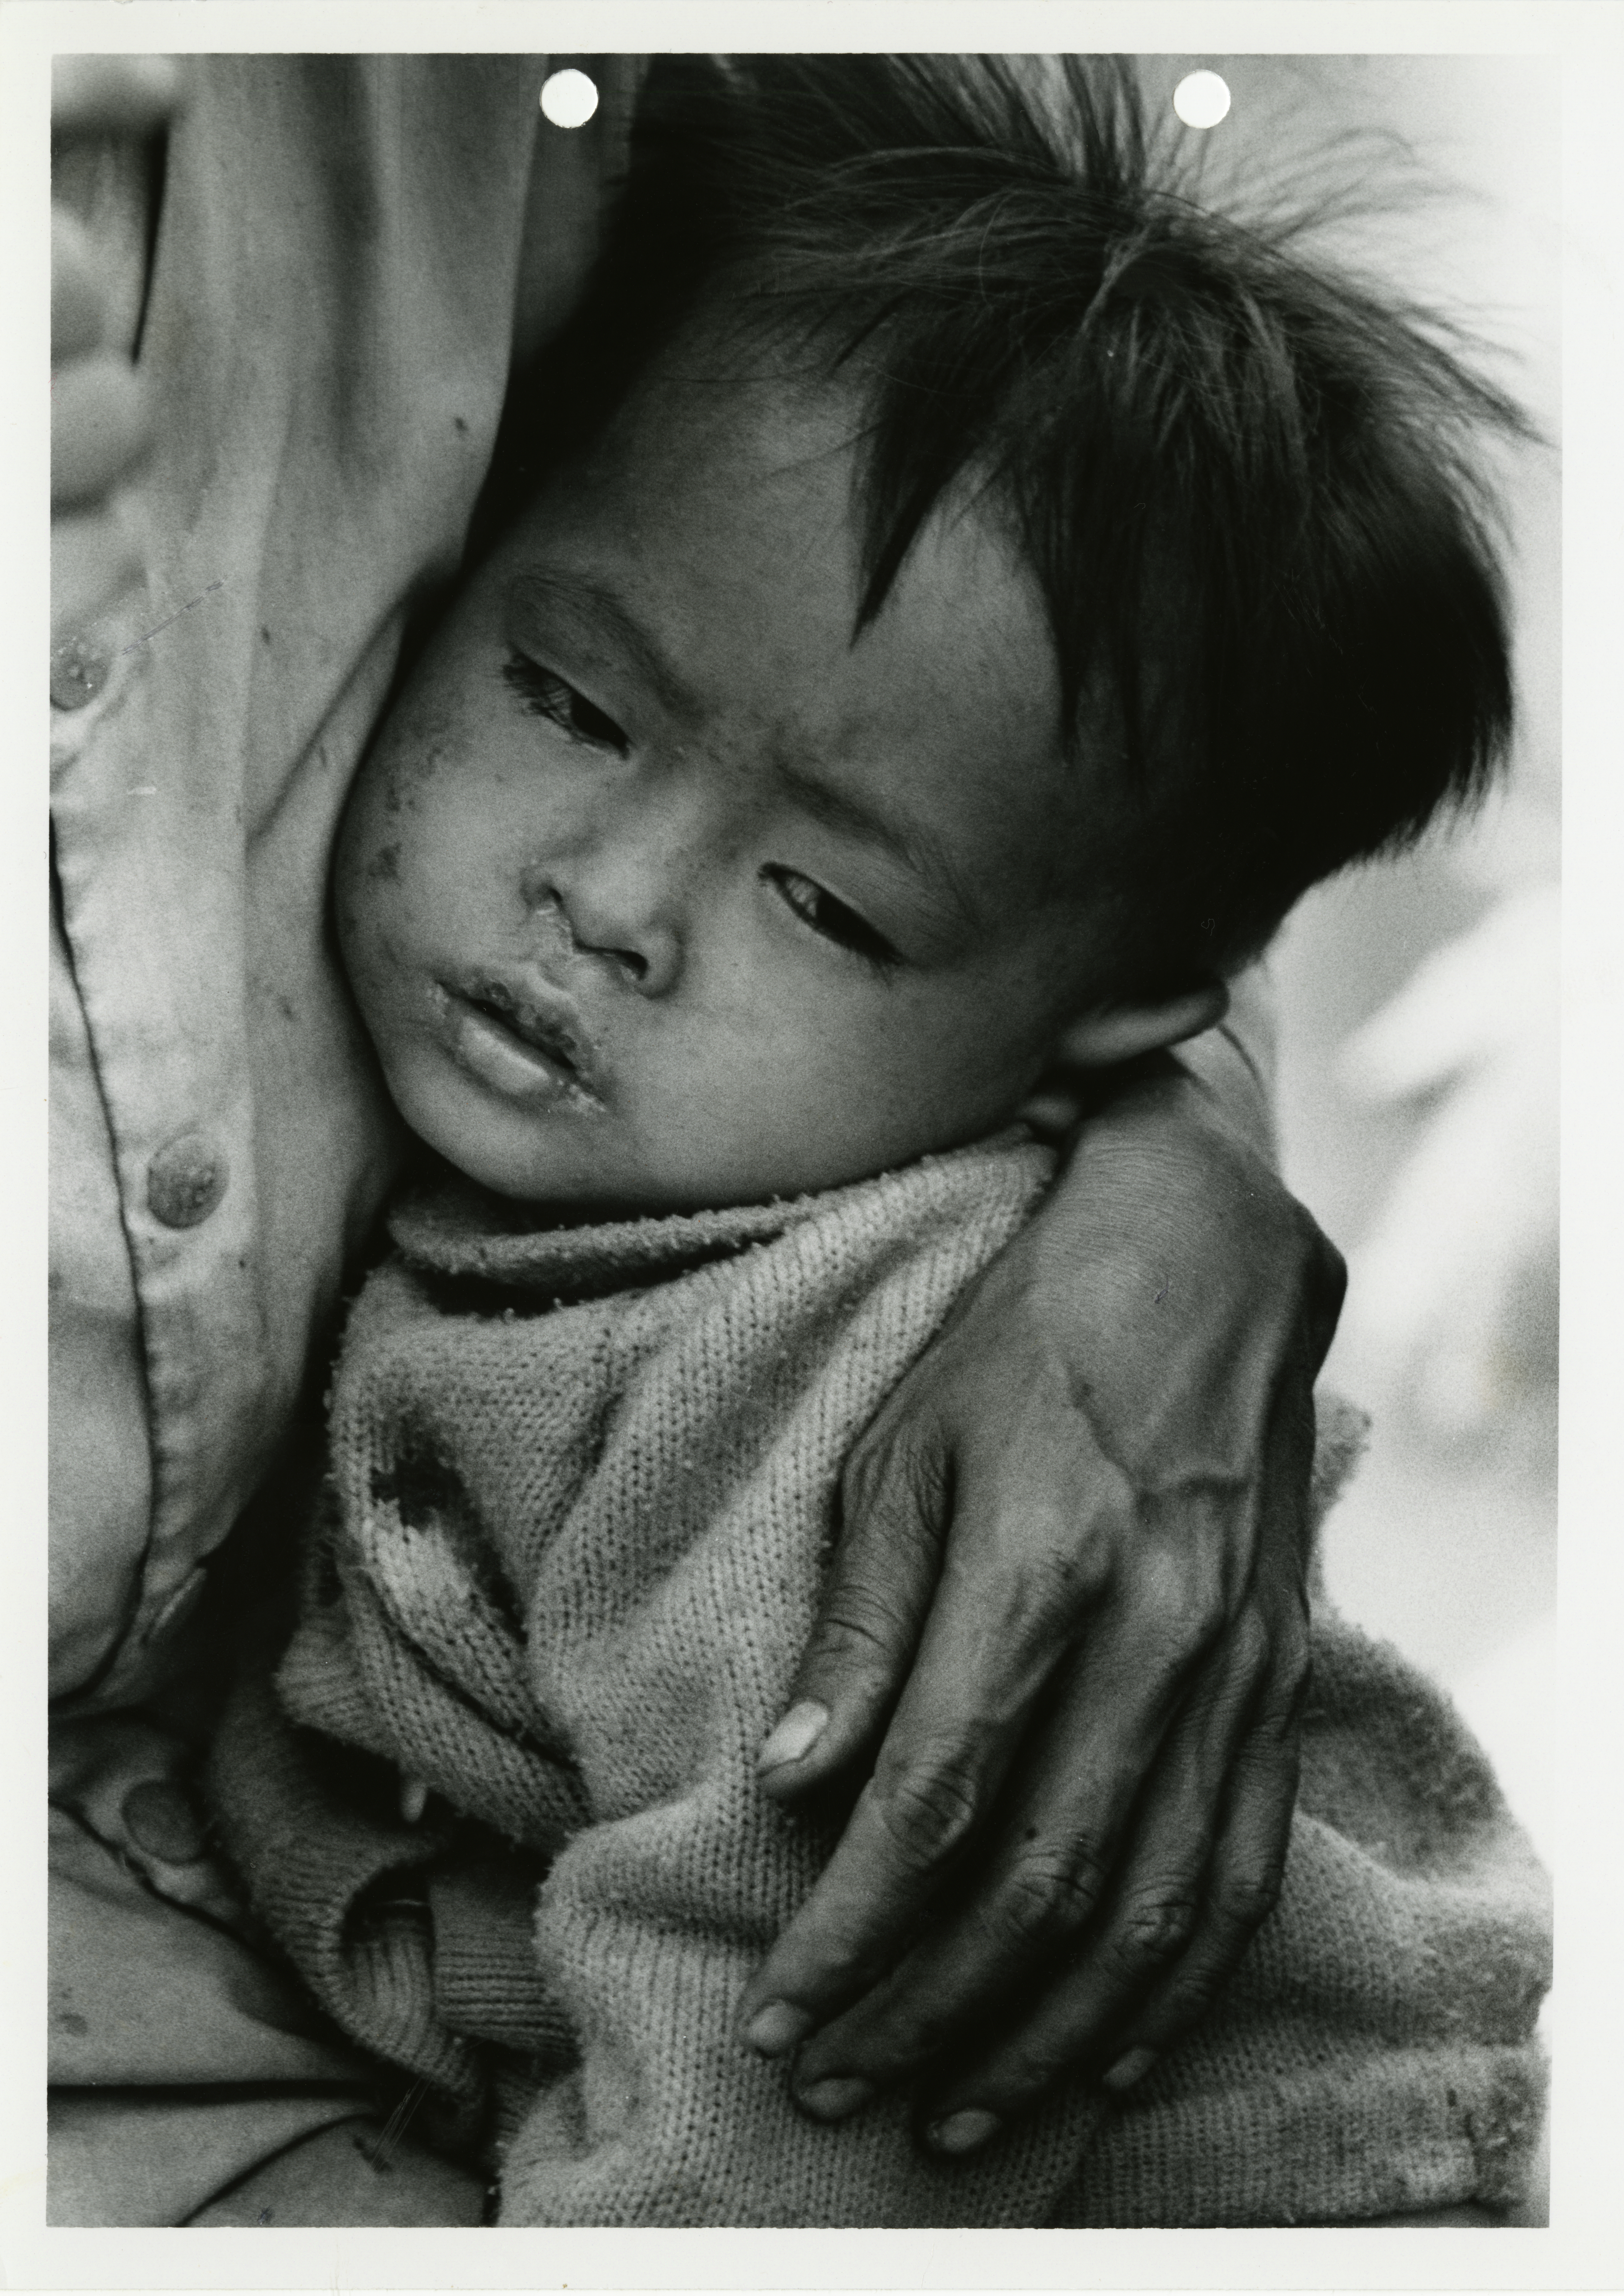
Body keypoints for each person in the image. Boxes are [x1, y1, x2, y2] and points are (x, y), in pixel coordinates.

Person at [199, 55, 1550, 2227]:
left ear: (1108, 1019)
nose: (616, 902)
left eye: (826, 904)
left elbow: (786, 2114)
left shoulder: (814, 1403)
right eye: (571, 701)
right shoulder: (638, 1187)